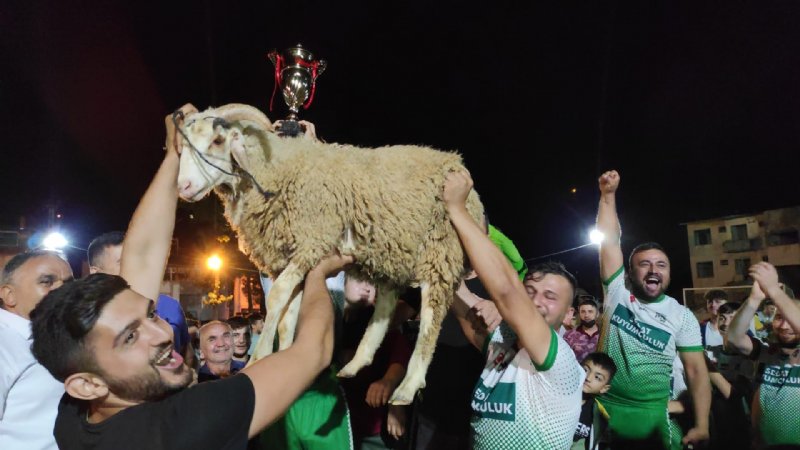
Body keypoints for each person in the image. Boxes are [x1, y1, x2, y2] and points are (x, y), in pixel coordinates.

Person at [29, 104, 350, 450]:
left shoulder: (77, 413)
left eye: (150, 314)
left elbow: (141, 255)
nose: (164, 333)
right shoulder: (188, 424)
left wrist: (173, 156)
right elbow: (312, 351)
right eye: (130, 337)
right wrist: (316, 271)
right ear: (87, 385)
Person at [444, 171, 584, 450]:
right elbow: (457, 299)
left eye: (550, 296)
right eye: (529, 292)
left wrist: (457, 209)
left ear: (570, 315)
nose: (535, 301)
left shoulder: (560, 360)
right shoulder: (501, 346)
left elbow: (508, 291)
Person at [595, 170, 710, 449]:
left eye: (661, 264)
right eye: (644, 264)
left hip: (653, 414)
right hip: (604, 408)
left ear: (669, 274)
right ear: (630, 273)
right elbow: (609, 242)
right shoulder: (616, 294)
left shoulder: (681, 316)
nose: (653, 269)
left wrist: (702, 425)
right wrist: (608, 196)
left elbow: (696, 372)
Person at [0, 250, 73, 450]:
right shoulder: (4, 344)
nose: (62, 290)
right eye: (47, 282)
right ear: (9, 295)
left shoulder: (57, 336)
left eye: (68, 284)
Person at [87, 231, 193, 367]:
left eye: (136, 260)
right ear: (96, 272)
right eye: (123, 262)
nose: (134, 268)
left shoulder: (169, 306)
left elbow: (187, 353)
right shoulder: (90, 318)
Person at [725, 262, 800, 449]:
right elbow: (733, 338)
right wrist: (754, 299)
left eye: (789, 319)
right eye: (779, 318)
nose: (784, 326)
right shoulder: (767, 352)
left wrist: (774, 290)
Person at [340, 275, 411, 449]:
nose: (367, 288)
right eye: (360, 278)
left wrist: (391, 386)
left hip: (371, 427)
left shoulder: (378, 320)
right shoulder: (324, 317)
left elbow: (400, 353)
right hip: (337, 425)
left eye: (372, 282)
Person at [572, 352, 616, 450]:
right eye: (585, 370)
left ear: (604, 389)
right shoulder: (557, 395)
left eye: (597, 377)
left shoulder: (598, 416)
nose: (588, 378)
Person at [564, 297, 601, 362]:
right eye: (583, 312)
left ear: (597, 314)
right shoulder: (569, 335)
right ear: (579, 314)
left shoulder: (604, 335)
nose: (586, 315)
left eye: (590, 312)